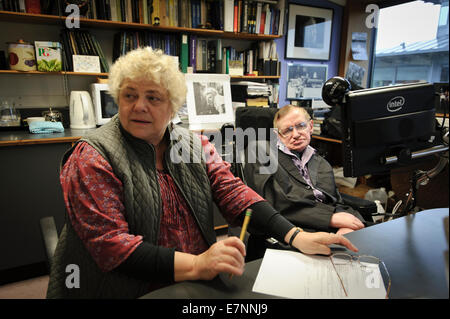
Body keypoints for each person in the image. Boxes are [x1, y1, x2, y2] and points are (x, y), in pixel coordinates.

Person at [46, 48, 358, 299]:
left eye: (153, 97)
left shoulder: (192, 143)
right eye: (129, 95)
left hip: (192, 280)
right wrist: (197, 264)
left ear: (173, 106)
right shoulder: (92, 157)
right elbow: (112, 247)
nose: (139, 106)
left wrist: (296, 235)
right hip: (124, 287)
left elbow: (233, 193)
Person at [244, 105, 367, 259]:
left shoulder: (320, 162)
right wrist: (330, 218)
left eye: (300, 126)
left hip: (329, 232)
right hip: (290, 233)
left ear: (310, 126)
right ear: (277, 135)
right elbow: (273, 203)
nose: (295, 134)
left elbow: (336, 201)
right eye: (287, 130)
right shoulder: (260, 151)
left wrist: (347, 225)